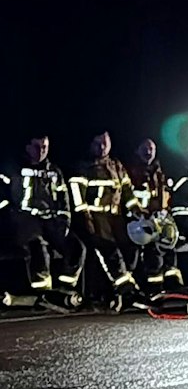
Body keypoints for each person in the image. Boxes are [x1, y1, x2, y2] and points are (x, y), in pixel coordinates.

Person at [4, 136, 80, 303]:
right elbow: (3, 192)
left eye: (44, 147)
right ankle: (42, 293)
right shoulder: (14, 168)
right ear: (27, 148)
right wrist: (10, 212)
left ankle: (64, 289)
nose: (41, 151)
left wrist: (64, 220)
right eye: (37, 147)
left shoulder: (54, 171)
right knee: (38, 247)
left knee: (76, 247)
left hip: (51, 220)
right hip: (25, 220)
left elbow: (63, 198)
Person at [69, 131, 139, 308]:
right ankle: (125, 292)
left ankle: (123, 289)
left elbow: (127, 191)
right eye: (97, 143)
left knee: (130, 249)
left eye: (105, 143)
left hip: (116, 218)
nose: (102, 147)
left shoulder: (116, 166)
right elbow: (79, 201)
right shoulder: (82, 167)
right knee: (110, 253)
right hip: (95, 218)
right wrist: (87, 221)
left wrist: (136, 209)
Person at [124, 137, 182, 289]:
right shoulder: (130, 172)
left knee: (169, 247)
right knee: (149, 254)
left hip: (159, 218)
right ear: (137, 151)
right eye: (145, 149)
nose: (149, 152)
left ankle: (171, 284)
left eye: (152, 149)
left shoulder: (158, 171)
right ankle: (152, 287)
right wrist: (140, 213)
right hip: (138, 220)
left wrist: (165, 213)